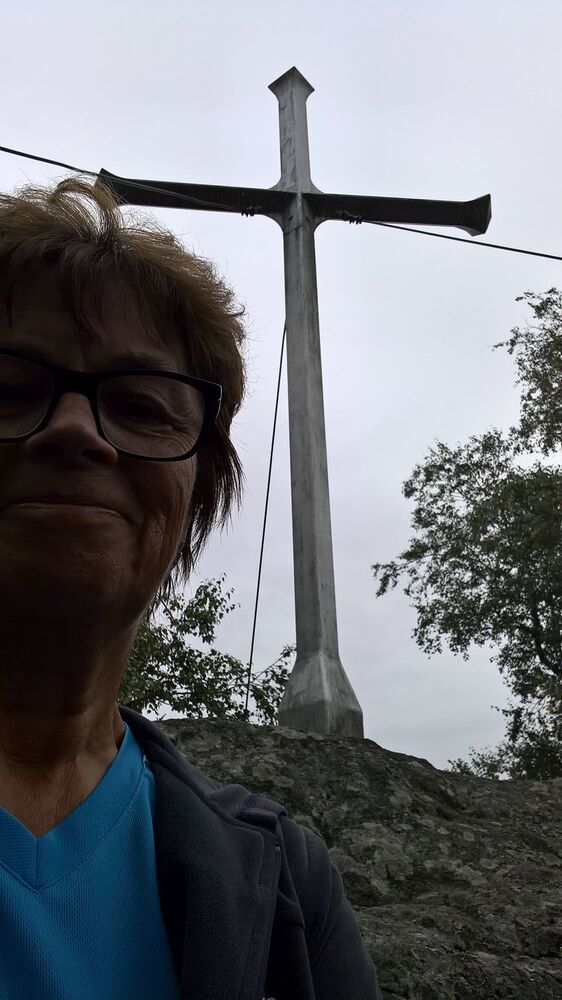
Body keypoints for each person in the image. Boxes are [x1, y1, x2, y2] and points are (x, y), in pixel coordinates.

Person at [0, 176, 383, 999]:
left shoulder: (287, 889)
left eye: (141, 406)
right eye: (8, 390)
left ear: (199, 489)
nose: (76, 431)